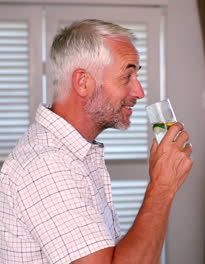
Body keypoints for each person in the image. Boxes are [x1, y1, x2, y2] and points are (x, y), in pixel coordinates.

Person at [0, 19, 192, 264]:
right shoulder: (48, 165)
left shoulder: (71, 154)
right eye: (127, 76)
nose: (139, 92)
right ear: (83, 82)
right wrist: (162, 187)